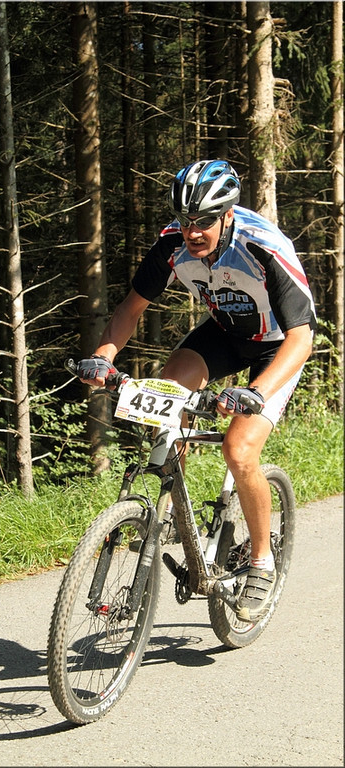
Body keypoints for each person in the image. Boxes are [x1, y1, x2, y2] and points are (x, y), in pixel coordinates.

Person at [75, 159, 317, 623]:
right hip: (224, 335)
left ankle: (261, 563)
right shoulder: (173, 244)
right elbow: (130, 308)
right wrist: (104, 356)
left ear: (228, 214)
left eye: (204, 221)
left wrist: (256, 392)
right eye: (185, 220)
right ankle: (171, 513)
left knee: (239, 450)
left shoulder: (263, 246)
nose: (192, 231)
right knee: (167, 397)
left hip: (278, 345)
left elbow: (302, 338)